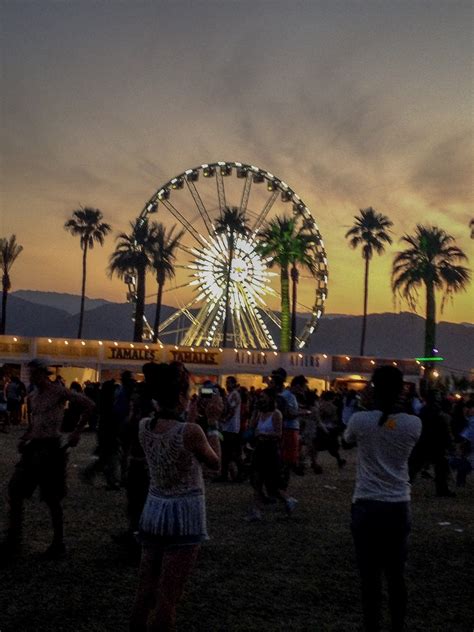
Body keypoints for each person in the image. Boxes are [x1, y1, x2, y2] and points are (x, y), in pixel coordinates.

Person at [130, 362, 220, 631]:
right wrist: (213, 423)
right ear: (181, 396)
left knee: (145, 589)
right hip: (185, 515)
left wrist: (190, 418)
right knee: (169, 596)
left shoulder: (145, 426)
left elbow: (174, 442)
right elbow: (215, 464)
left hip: (154, 509)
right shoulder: (192, 432)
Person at [344, 365, 422, 632]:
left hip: (366, 503)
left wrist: (365, 405)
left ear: (372, 388)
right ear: (402, 389)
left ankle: (371, 626)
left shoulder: (360, 420)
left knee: (370, 577)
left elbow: (346, 441)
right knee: (396, 574)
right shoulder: (413, 424)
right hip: (398, 504)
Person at [1, 359, 95, 562]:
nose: (33, 377)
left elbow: (89, 404)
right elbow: (35, 422)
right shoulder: (33, 396)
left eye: (36, 373)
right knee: (15, 489)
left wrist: (77, 432)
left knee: (52, 497)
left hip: (51, 448)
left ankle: (58, 542)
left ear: (45, 374)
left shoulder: (58, 392)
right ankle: (14, 537)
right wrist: (26, 436)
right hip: (34, 448)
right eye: (32, 373)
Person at [246, 388, 297, 521]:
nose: (261, 399)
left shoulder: (276, 414)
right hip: (259, 449)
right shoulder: (260, 413)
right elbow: (252, 428)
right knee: (257, 481)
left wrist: (263, 434)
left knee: (272, 484)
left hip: (270, 450)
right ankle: (256, 511)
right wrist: (255, 412)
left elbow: (278, 434)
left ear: (270, 398)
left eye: (263, 397)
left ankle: (288, 500)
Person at [216, 376, 242, 482]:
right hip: (227, 428)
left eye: (229, 383)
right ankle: (225, 474)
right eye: (226, 383)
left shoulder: (235, 395)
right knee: (226, 452)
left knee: (231, 452)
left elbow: (231, 410)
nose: (227, 385)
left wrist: (224, 419)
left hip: (231, 428)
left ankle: (238, 474)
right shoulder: (230, 394)